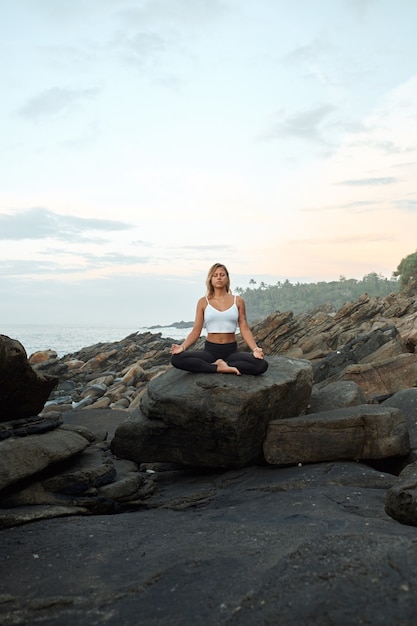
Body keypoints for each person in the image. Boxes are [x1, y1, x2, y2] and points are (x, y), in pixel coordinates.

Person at [170, 263, 268, 375]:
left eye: (222, 275)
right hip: (210, 352)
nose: (219, 277)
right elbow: (196, 331)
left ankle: (225, 365)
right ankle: (218, 368)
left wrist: (255, 349)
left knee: (261, 365)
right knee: (176, 359)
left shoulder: (238, 301)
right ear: (210, 279)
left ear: (227, 278)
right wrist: (182, 347)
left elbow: (244, 329)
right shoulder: (203, 302)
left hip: (231, 352)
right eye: (215, 275)